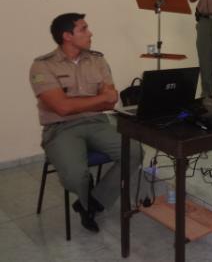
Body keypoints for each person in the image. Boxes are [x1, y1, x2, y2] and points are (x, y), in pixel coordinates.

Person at [29, 13, 143, 233]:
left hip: (97, 122)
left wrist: (77, 103)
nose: (90, 33)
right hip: (60, 128)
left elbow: (112, 99)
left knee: (134, 151)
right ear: (67, 36)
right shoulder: (42, 66)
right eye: (83, 29)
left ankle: (92, 202)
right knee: (75, 176)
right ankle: (84, 190)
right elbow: (61, 108)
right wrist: (97, 100)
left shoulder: (97, 59)